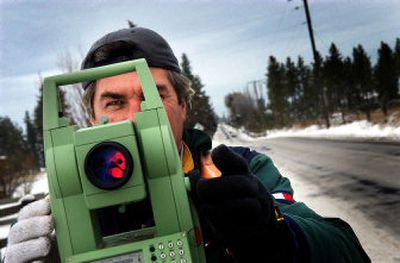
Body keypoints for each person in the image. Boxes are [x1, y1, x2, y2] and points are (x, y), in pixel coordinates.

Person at [4, 27, 370, 263]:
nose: (134, 117)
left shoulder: (236, 171)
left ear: (183, 106)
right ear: (91, 117)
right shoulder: (68, 206)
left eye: (152, 97)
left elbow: (347, 251)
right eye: (115, 102)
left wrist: (277, 237)